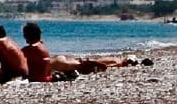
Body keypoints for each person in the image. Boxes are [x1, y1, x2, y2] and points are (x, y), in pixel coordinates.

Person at [21, 22, 150, 80]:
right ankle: (121, 61)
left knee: (83, 66)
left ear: (28, 35)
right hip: (58, 60)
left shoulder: (30, 49)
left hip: (57, 64)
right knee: (83, 63)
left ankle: (119, 63)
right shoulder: (41, 45)